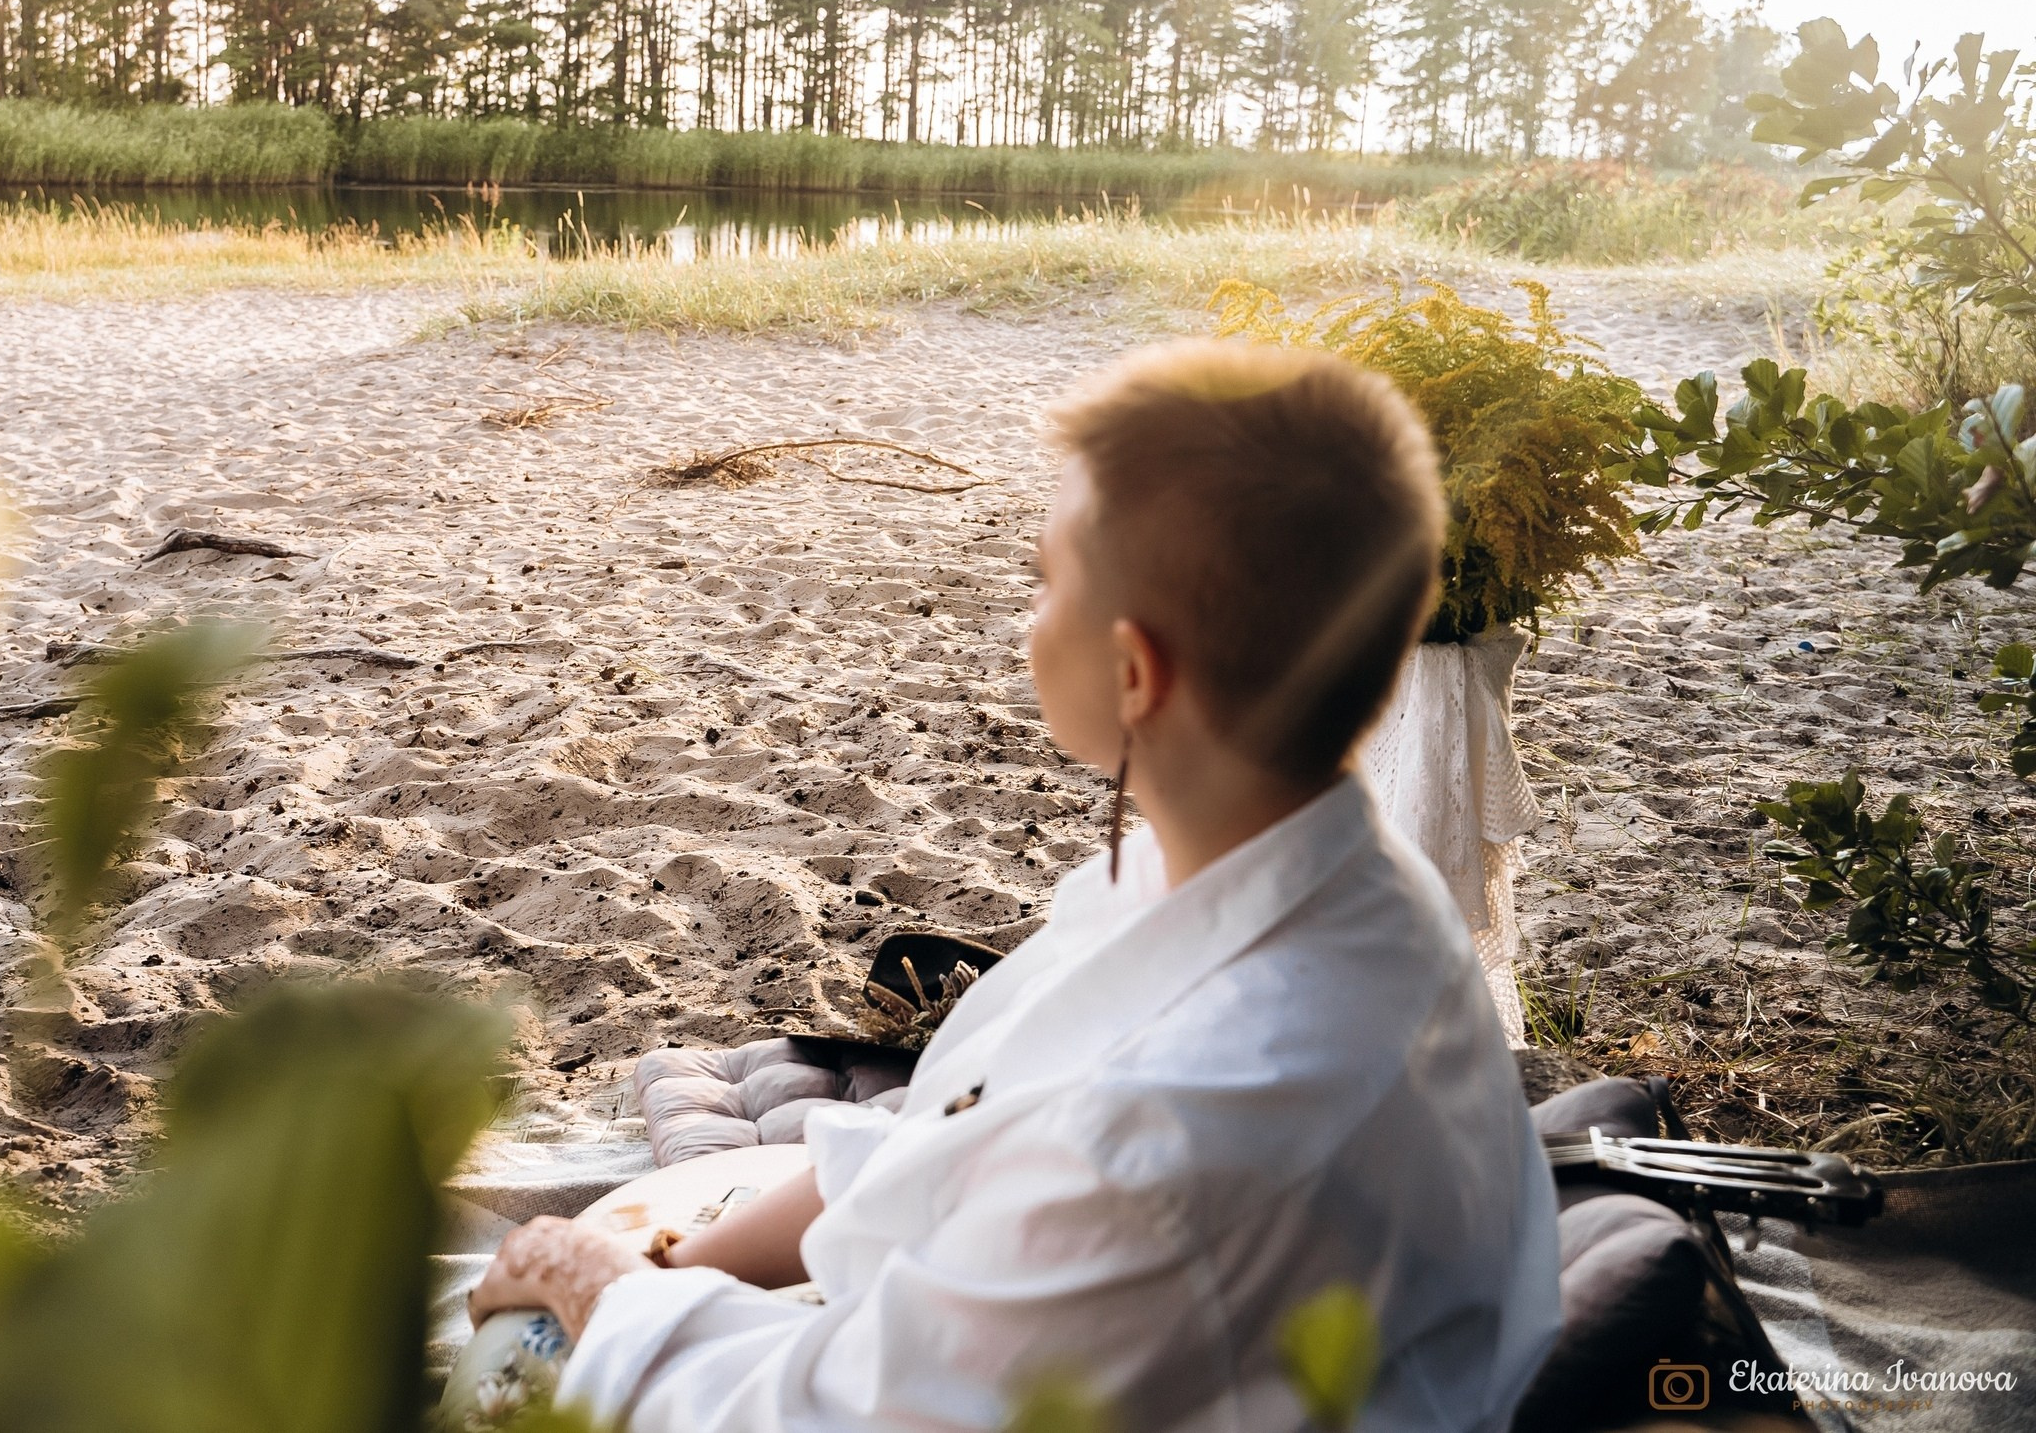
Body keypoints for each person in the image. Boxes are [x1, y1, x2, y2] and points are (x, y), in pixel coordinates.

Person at [469, 340, 1563, 1431]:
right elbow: (960, 1122)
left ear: (1135, 675)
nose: (1026, 620)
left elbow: (835, 1416)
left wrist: (587, 1291)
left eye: (1045, 583)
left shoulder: (1182, 1129)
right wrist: (671, 1264)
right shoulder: (1302, 877)